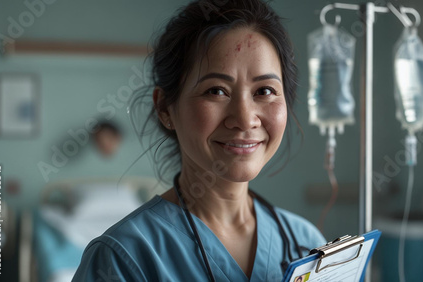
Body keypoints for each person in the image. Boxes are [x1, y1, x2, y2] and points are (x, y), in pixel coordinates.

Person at [73, 0, 326, 281]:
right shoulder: (123, 258)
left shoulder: (307, 245)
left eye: (265, 90)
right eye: (216, 91)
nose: (244, 118)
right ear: (166, 109)